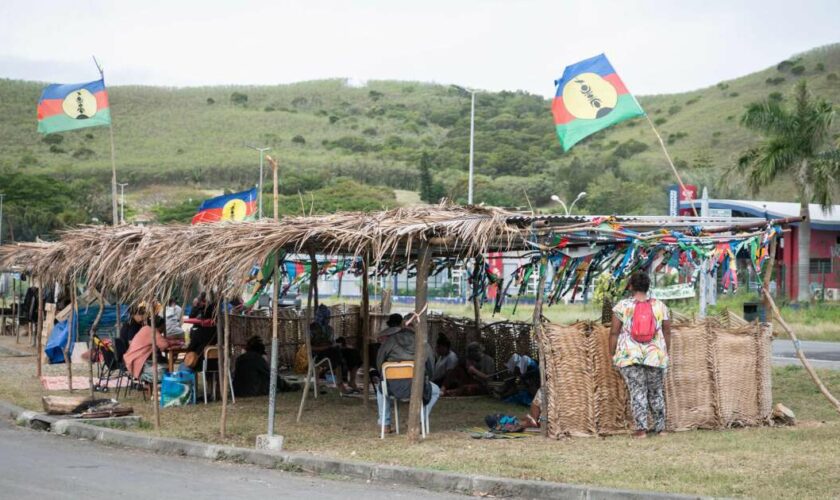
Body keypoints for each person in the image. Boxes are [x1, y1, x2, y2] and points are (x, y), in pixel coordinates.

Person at [609, 271, 671, 438]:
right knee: (656, 391)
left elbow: (614, 333)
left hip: (630, 355)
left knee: (638, 390)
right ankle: (661, 429)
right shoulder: (660, 306)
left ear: (631, 286)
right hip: (655, 355)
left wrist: (612, 354)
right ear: (648, 287)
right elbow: (667, 332)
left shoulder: (622, 306)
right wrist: (665, 352)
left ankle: (641, 430)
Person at [375, 313, 440, 434]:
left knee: (381, 389)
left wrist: (387, 374)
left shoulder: (390, 341)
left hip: (391, 387)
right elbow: (431, 368)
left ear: (402, 325)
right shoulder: (423, 343)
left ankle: (385, 423)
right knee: (435, 390)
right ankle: (418, 420)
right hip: (417, 387)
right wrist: (425, 379)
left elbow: (379, 363)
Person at [233, 336, 297, 397]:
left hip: (238, 392)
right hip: (252, 391)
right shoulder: (256, 358)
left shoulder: (240, 358)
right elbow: (272, 376)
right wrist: (288, 387)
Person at [123, 316, 175, 384]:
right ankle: (145, 377)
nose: (164, 329)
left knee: (165, 361)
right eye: (163, 326)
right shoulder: (153, 331)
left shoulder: (145, 328)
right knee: (165, 370)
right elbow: (164, 345)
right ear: (160, 326)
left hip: (132, 360)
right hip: (138, 363)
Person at [309, 321, 353, 394]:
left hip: (331, 354)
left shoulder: (329, 329)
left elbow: (332, 343)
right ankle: (340, 384)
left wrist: (336, 345)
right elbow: (309, 348)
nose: (326, 319)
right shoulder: (311, 329)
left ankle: (350, 381)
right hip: (318, 355)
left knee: (350, 352)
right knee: (337, 354)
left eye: (327, 317)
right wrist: (326, 347)